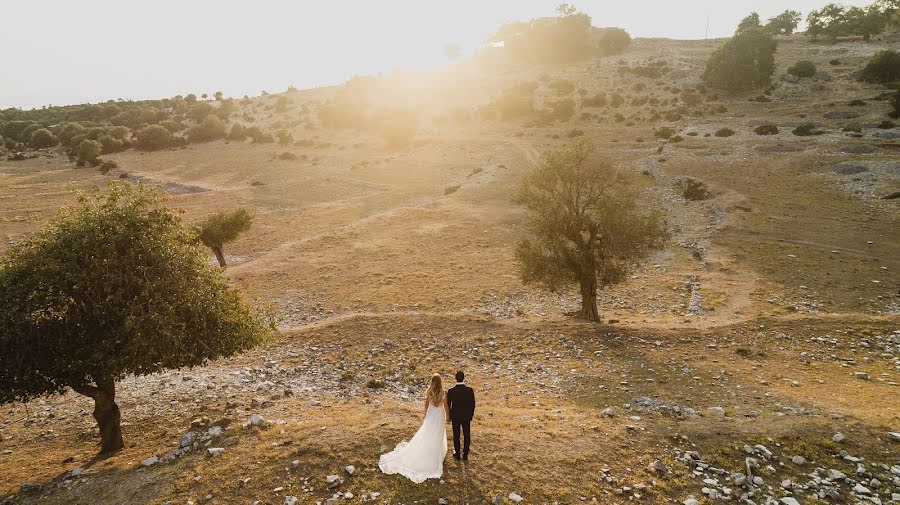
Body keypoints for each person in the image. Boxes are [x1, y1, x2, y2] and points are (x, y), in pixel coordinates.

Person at [378, 374, 449, 483]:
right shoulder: (444, 392)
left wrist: (425, 415)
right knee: (438, 433)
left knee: (428, 432)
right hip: (439, 414)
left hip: (431, 414)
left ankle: (429, 449)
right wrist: (448, 416)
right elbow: (445, 406)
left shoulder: (429, 391)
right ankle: (436, 453)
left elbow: (426, 405)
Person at [446, 370, 475, 461]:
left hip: (455, 416)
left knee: (456, 435)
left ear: (455, 378)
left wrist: (449, 416)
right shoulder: (469, 390)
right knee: (467, 435)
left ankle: (457, 453)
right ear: (464, 377)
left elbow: (448, 405)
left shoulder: (451, 391)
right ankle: (465, 454)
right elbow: (472, 404)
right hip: (466, 417)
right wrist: (470, 416)